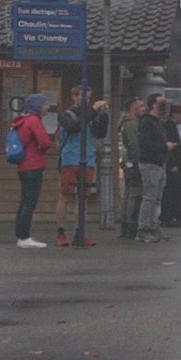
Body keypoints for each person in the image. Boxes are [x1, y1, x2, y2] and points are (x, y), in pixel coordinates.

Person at [54, 85, 109, 247]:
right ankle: (61, 232)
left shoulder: (90, 115)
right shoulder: (66, 115)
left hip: (88, 158)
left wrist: (104, 116)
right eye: (83, 97)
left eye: (89, 98)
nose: (86, 101)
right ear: (74, 97)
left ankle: (80, 232)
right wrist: (92, 111)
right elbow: (74, 126)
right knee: (65, 195)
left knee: (83, 198)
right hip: (70, 159)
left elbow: (99, 133)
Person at [10, 94, 55, 248]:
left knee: (24, 201)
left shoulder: (22, 120)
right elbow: (45, 142)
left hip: (22, 166)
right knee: (30, 202)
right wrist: (44, 147)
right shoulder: (34, 120)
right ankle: (24, 238)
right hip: (33, 165)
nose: (48, 107)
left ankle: (21, 235)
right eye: (45, 104)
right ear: (37, 106)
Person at [136, 92, 176, 243]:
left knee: (156, 199)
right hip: (149, 164)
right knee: (149, 198)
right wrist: (164, 146)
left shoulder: (158, 122)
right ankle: (143, 229)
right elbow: (145, 144)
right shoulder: (147, 122)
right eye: (161, 102)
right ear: (153, 104)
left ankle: (153, 227)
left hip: (159, 164)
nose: (164, 105)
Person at [117, 97, 146, 239]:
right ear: (133, 106)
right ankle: (131, 226)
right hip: (133, 163)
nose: (143, 108)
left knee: (128, 194)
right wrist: (139, 162)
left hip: (127, 163)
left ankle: (125, 226)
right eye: (140, 105)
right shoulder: (132, 125)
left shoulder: (124, 123)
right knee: (135, 194)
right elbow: (134, 146)